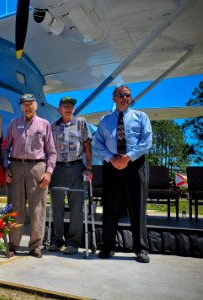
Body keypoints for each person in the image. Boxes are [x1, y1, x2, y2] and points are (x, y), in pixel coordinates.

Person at [94, 85, 152, 263]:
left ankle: (141, 249)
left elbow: (146, 141)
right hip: (111, 166)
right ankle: (108, 246)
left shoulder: (141, 117)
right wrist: (112, 159)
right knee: (110, 208)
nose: (124, 98)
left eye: (127, 95)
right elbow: (98, 144)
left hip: (135, 166)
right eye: (121, 95)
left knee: (138, 208)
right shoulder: (105, 120)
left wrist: (128, 158)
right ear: (113, 98)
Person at [2, 93, 57, 258]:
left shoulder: (44, 125)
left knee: (37, 209)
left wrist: (48, 172)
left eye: (30, 104)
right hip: (16, 167)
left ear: (36, 105)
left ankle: (35, 246)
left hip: (37, 168)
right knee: (15, 207)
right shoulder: (14, 124)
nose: (27, 107)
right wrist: (6, 167)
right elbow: (5, 147)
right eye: (24, 104)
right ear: (21, 107)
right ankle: (13, 245)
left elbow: (52, 152)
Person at [49, 96, 93, 255]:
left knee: (76, 207)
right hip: (58, 168)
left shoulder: (81, 123)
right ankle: (57, 240)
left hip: (76, 167)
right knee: (57, 206)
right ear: (59, 109)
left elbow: (88, 145)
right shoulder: (53, 126)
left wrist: (88, 167)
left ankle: (73, 242)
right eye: (65, 106)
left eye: (71, 106)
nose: (68, 108)